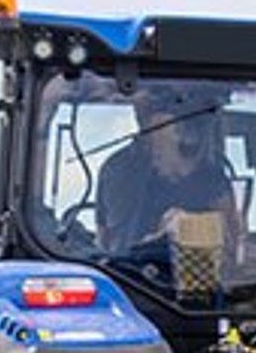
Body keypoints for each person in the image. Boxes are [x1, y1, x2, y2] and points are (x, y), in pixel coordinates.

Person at [96, 84, 240, 258]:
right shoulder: (118, 169)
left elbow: (232, 241)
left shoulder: (212, 177)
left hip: (198, 277)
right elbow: (106, 239)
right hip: (130, 275)